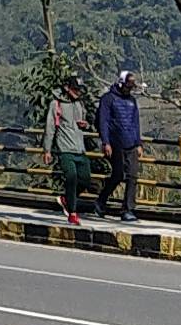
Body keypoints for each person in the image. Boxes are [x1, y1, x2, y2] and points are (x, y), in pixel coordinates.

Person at [93, 70, 145, 220]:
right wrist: (106, 142)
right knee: (118, 174)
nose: (129, 89)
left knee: (132, 176)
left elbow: (135, 123)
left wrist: (139, 143)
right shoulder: (108, 99)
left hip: (131, 143)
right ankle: (101, 201)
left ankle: (128, 209)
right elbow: (103, 121)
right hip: (115, 143)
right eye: (127, 86)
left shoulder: (132, 101)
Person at [42, 74, 95, 220]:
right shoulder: (56, 104)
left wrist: (86, 125)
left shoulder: (79, 104)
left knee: (85, 179)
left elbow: (85, 122)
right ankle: (72, 212)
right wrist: (47, 150)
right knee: (71, 177)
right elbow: (50, 127)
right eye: (75, 89)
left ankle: (66, 199)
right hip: (65, 148)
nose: (77, 92)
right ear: (67, 88)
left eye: (79, 90)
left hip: (79, 147)